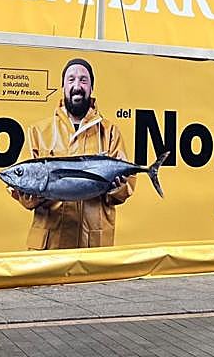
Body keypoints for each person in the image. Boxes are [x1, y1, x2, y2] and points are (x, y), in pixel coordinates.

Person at [11, 58, 133, 249]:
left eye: (83, 80)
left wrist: (116, 187)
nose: (77, 86)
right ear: (63, 87)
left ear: (91, 88)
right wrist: (34, 192)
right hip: (49, 245)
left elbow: (126, 189)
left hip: (93, 245)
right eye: (71, 79)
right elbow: (24, 195)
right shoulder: (38, 131)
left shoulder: (110, 132)